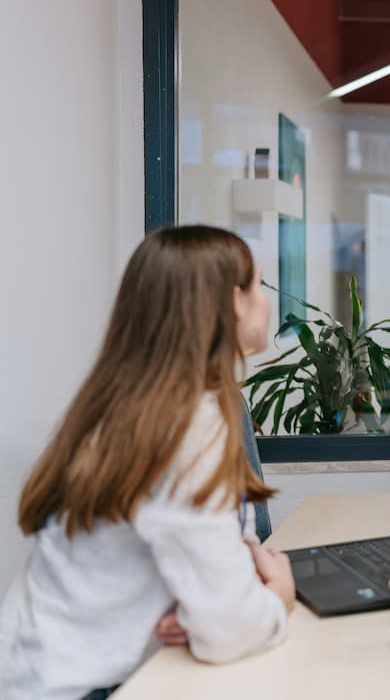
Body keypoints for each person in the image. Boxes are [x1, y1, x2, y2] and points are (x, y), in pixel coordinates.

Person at [0, 226, 296, 700]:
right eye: (258, 286)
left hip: (46, 670)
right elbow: (228, 630)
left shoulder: (145, 406)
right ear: (232, 303)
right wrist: (277, 597)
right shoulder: (185, 428)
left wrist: (207, 604)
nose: (266, 301)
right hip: (81, 689)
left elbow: (191, 553)